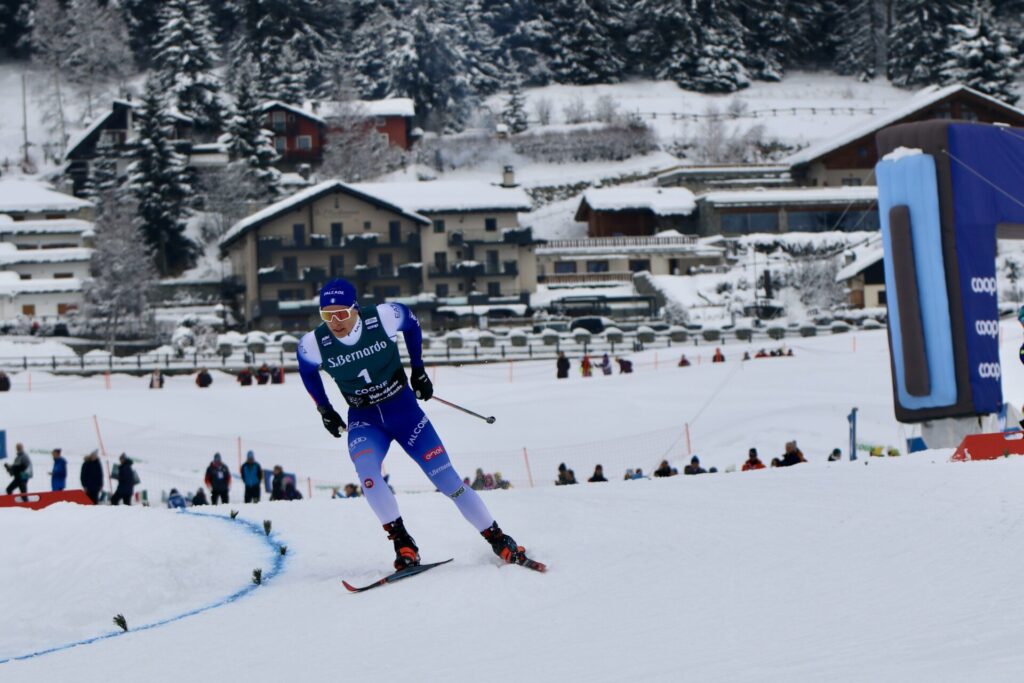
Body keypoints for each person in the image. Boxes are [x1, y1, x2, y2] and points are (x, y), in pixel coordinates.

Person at [297, 278, 532, 570]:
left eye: (342, 314)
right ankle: (403, 544)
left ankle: (499, 539)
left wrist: (418, 369)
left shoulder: (383, 317)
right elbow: (306, 369)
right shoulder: (314, 343)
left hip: (404, 412)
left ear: (355, 309)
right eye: (327, 315)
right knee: (369, 477)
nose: (335, 322)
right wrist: (324, 409)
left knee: (449, 482)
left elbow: (411, 322)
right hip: (365, 419)